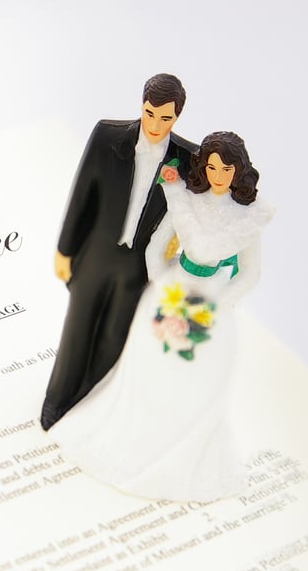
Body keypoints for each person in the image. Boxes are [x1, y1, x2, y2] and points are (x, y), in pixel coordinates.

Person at [46, 132, 275, 501]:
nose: (218, 175)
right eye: (212, 167)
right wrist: (162, 287)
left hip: (213, 301)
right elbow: (156, 247)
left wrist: (216, 306)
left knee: (199, 375)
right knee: (150, 366)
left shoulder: (248, 218)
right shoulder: (186, 200)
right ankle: (140, 435)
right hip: (173, 290)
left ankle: (184, 442)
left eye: (226, 168)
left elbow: (250, 274)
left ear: (239, 171)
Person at [41, 74, 196, 430]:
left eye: (166, 118)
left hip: (138, 266)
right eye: (149, 113)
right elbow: (82, 193)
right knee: (77, 329)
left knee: (114, 336)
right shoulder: (107, 136)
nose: (155, 125)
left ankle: (90, 402)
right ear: (141, 106)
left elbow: (195, 211)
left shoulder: (187, 159)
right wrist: (65, 249)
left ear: (177, 117)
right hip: (95, 253)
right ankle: (57, 401)